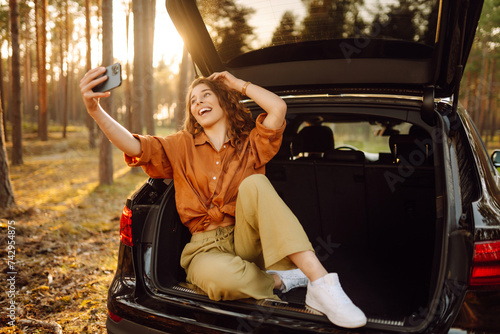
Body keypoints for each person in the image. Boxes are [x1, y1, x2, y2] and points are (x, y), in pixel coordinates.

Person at [80, 67, 367, 328]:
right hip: (205, 249)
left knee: (255, 183)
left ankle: (321, 284)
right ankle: (280, 279)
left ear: (223, 101)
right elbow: (133, 144)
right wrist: (95, 111)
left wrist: (238, 84)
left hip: (246, 238)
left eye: (206, 95)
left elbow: (278, 107)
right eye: (193, 101)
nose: (199, 102)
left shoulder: (250, 144)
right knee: (220, 281)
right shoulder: (180, 145)